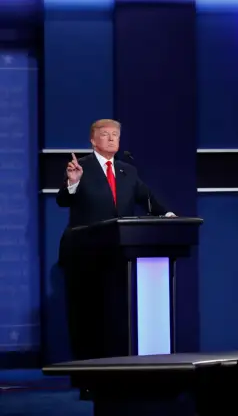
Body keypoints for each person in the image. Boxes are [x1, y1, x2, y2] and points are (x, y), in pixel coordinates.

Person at [57, 119, 176, 369]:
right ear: (93, 140)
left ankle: (115, 368)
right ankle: (86, 372)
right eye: (105, 134)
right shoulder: (80, 167)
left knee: (114, 316)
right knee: (85, 317)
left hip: (117, 255)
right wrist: (73, 183)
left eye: (115, 135)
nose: (111, 138)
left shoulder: (127, 171)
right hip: (83, 255)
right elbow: (63, 201)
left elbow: (148, 199)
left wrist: (167, 216)